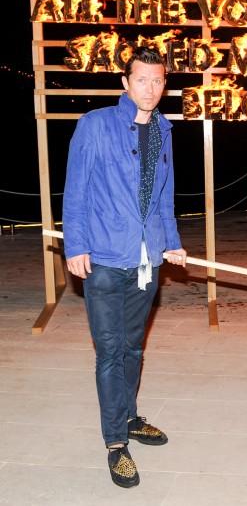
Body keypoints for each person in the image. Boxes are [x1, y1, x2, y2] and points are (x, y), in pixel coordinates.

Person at [62, 45, 187, 488]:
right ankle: (116, 442)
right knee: (111, 351)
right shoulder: (95, 125)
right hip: (105, 258)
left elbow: (165, 196)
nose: (150, 89)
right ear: (125, 83)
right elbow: (75, 190)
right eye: (141, 80)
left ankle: (129, 416)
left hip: (147, 260)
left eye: (158, 81)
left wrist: (171, 242)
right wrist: (75, 245)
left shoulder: (164, 130)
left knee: (134, 346)